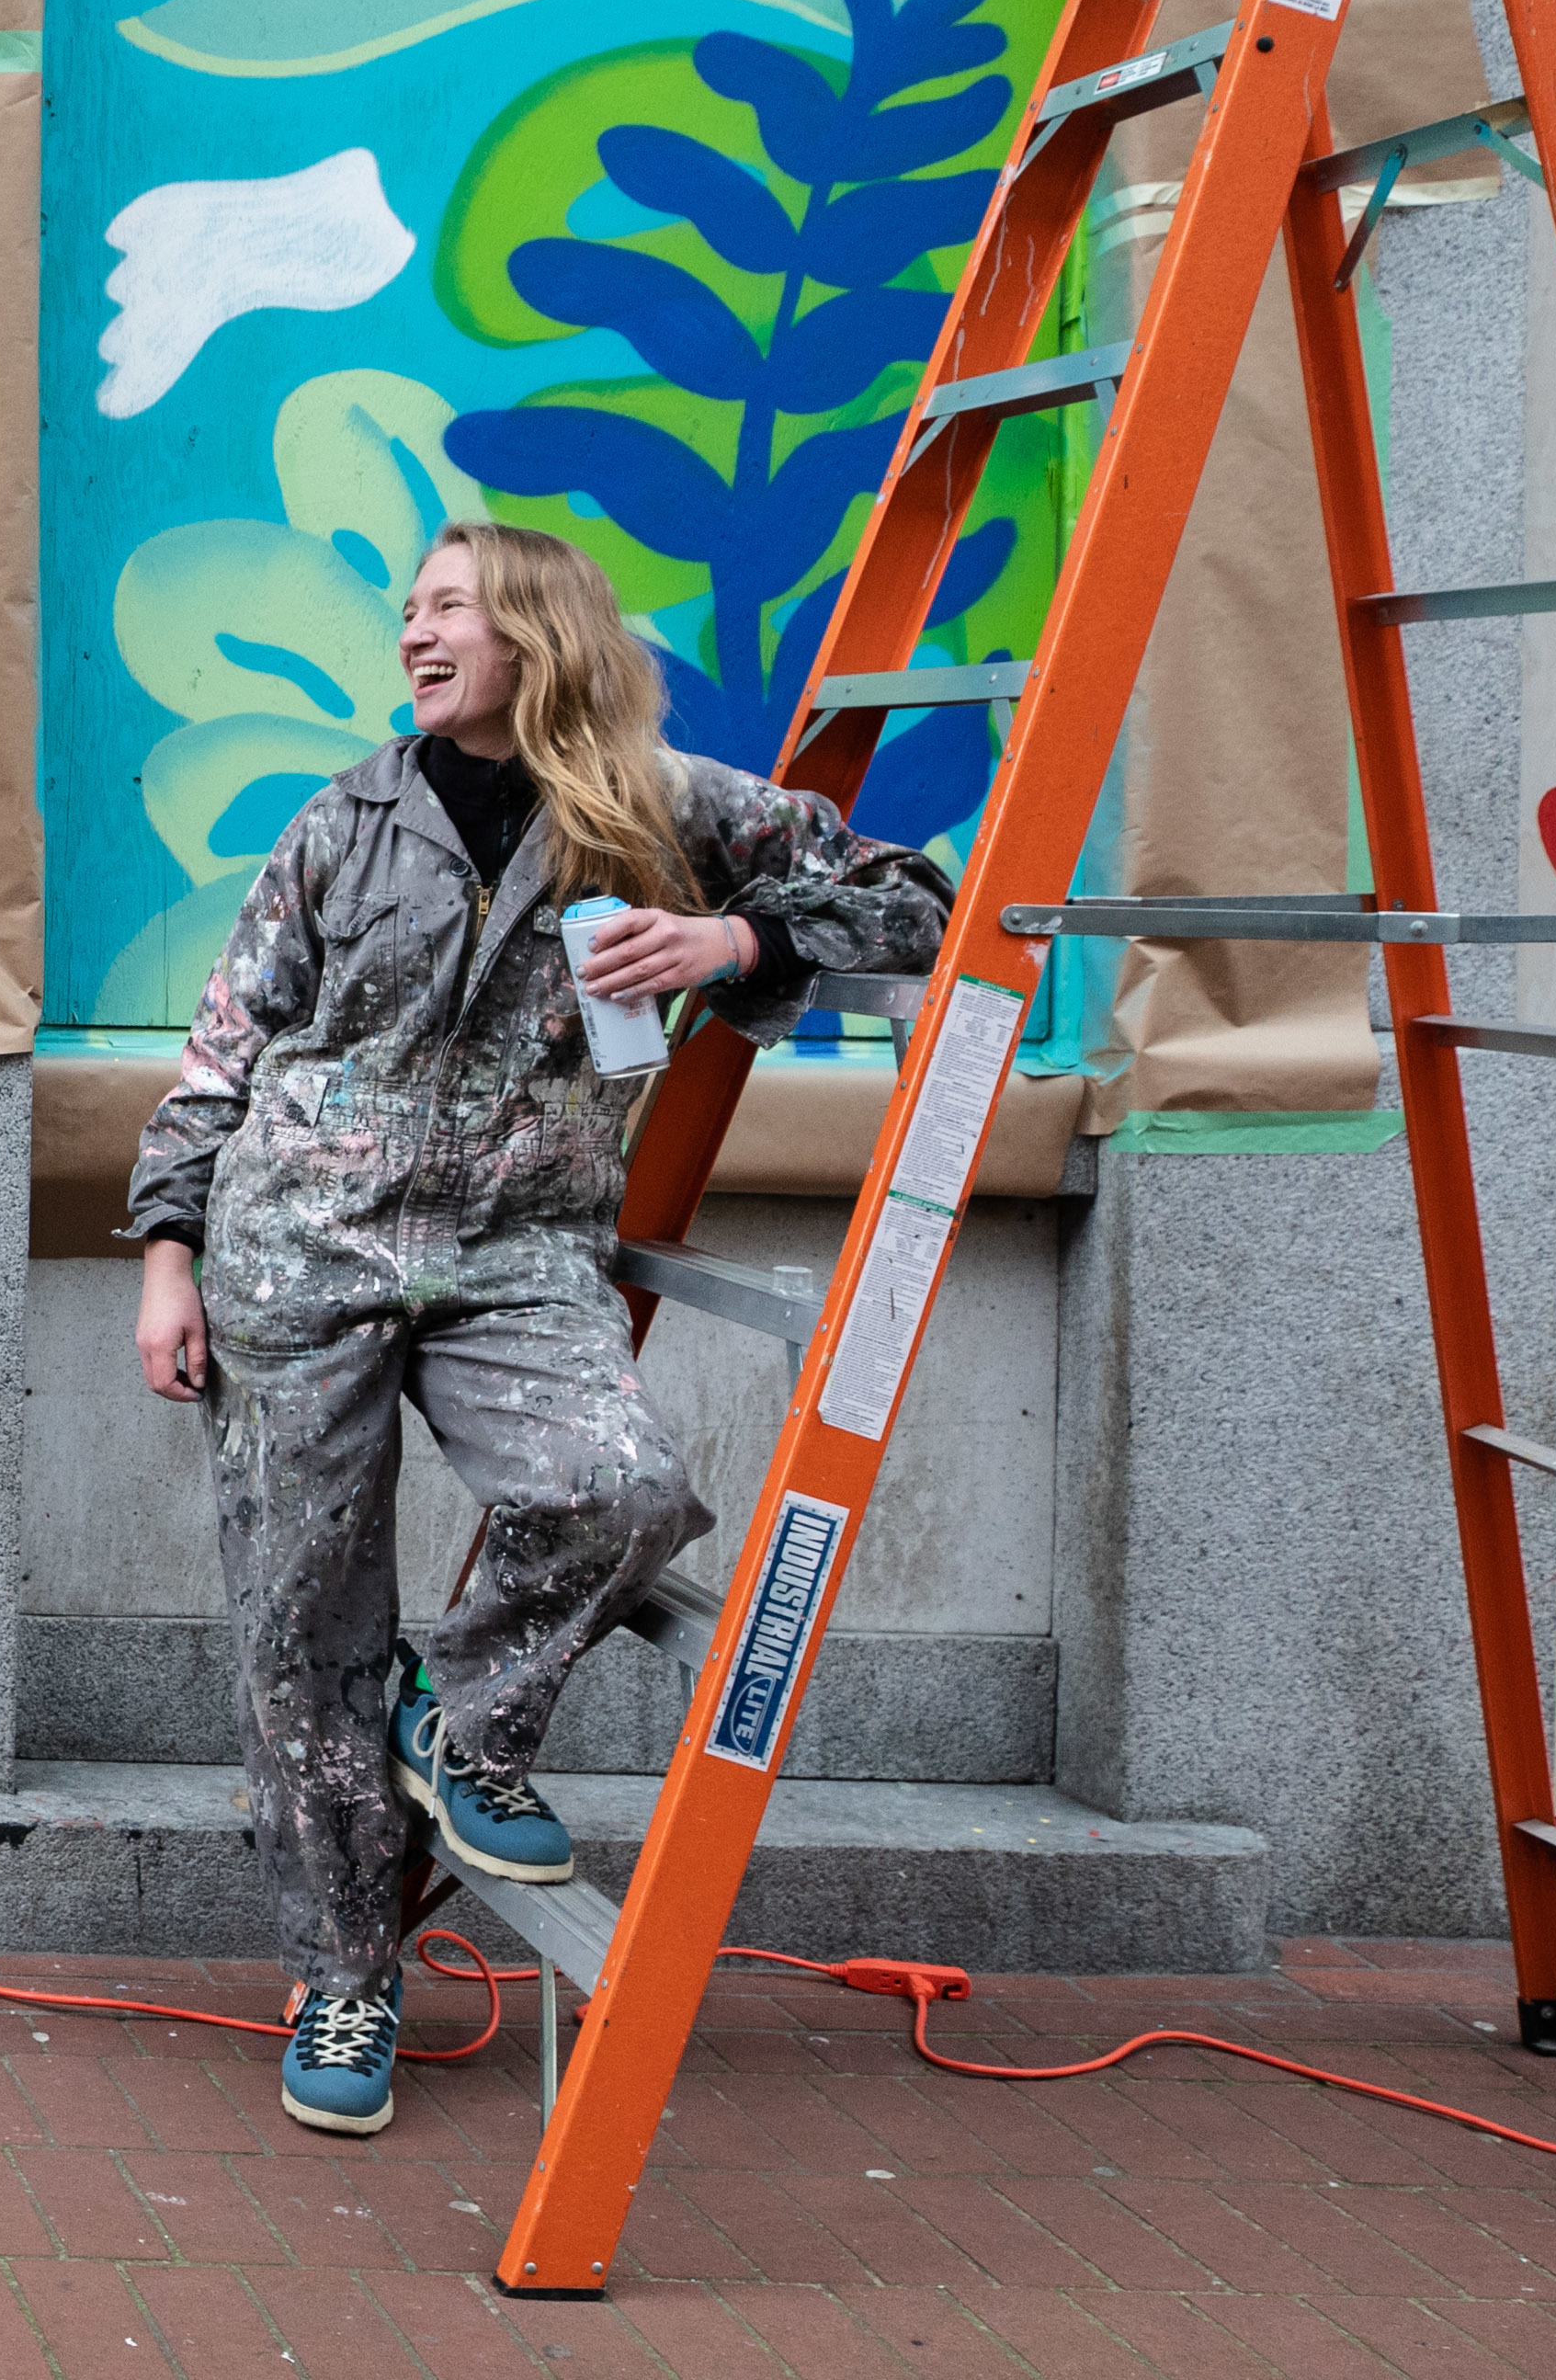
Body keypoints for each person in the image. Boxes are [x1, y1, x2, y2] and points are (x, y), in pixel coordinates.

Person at [124, 521, 947, 2139]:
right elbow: (225, 1051)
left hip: (517, 1253)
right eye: (409, 613)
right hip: (300, 1254)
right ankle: (349, 1974)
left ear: (537, 631)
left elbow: (919, 902)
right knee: (303, 1628)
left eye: (449, 609)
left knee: (623, 1491)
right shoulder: (341, 824)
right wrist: (168, 1258)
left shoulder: (665, 806)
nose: (416, 635)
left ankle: (467, 1718)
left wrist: (737, 940)